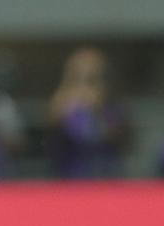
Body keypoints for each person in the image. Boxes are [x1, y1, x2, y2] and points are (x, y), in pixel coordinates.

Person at [47, 47, 129, 179]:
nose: (85, 82)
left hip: (106, 178)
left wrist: (96, 107)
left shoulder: (112, 106)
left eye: (92, 76)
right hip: (70, 180)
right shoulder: (63, 102)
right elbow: (54, 118)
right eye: (79, 74)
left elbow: (117, 134)